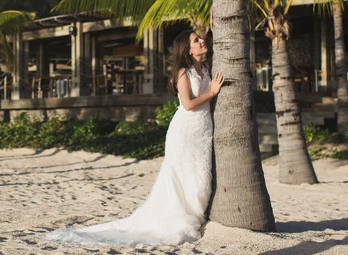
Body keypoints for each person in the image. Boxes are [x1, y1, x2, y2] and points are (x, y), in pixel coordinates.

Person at [46, 30, 225, 246]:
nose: (202, 41)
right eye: (197, 40)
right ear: (187, 49)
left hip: (203, 129)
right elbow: (187, 104)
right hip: (185, 131)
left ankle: (196, 212)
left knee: (199, 174)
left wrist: (213, 24)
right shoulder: (182, 73)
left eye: (200, 38)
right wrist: (212, 92)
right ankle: (182, 216)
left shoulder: (205, 68)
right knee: (181, 173)